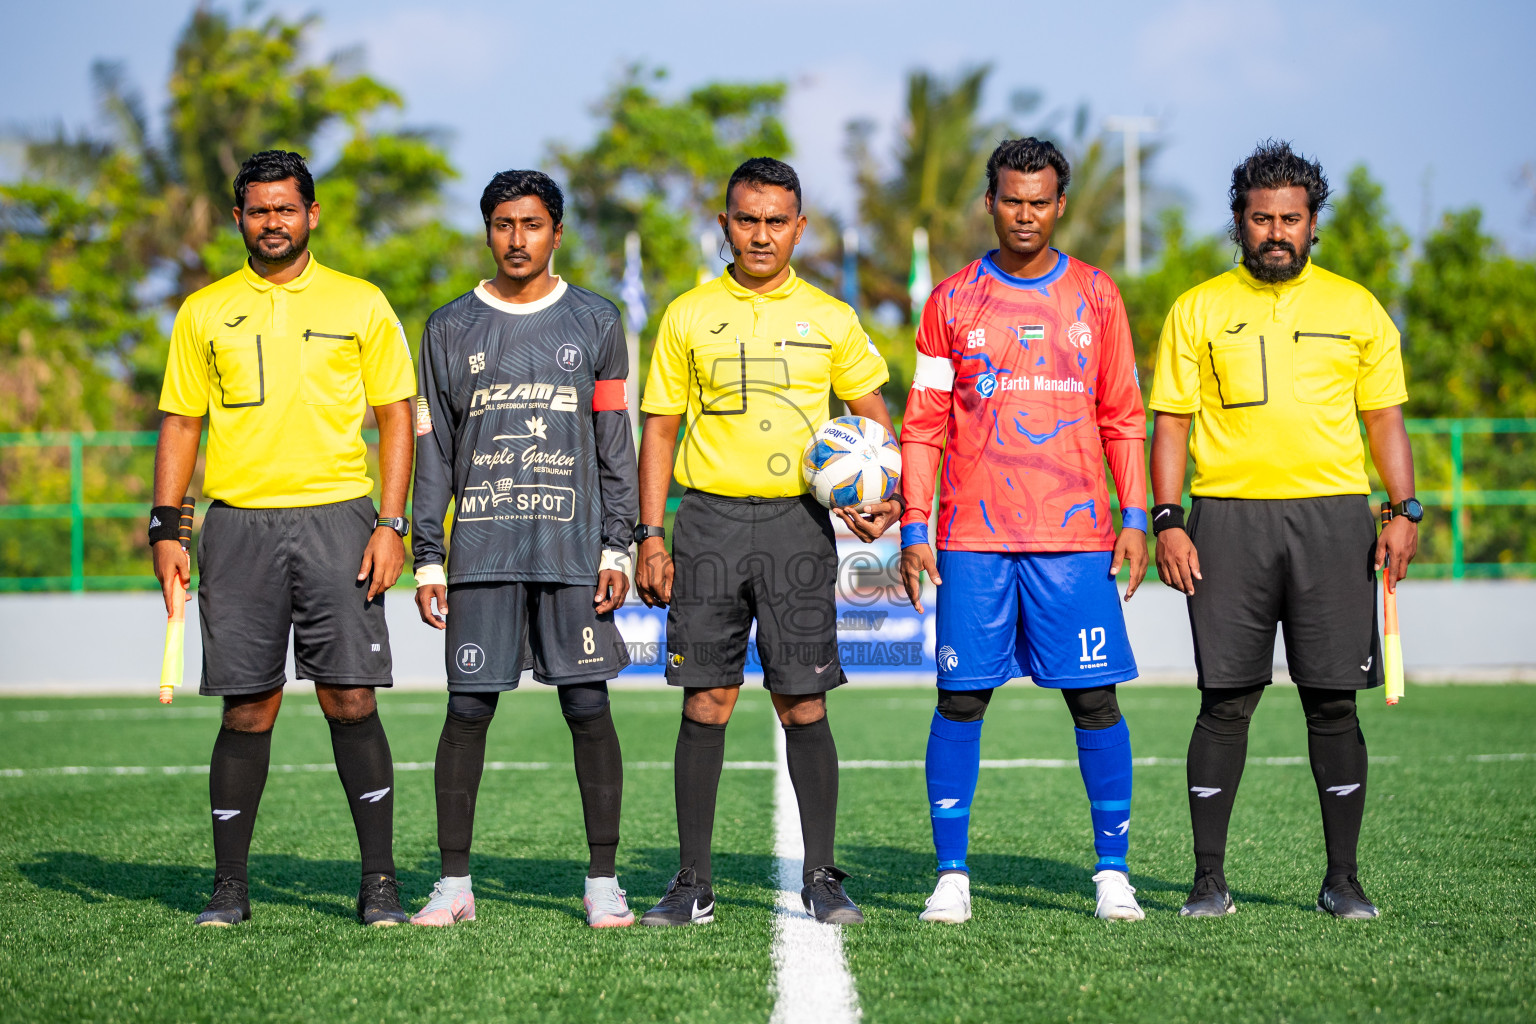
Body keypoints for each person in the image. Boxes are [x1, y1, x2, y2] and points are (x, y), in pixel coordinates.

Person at [1149, 140, 1420, 919]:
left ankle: (1343, 879)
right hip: (1227, 521)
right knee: (1225, 700)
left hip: (1334, 520)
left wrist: (1404, 510)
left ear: (1312, 224)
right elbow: (1170, 424)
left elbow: (1385, 419)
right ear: (1238, 221)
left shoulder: (1357, 307)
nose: (1276, 232)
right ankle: (1208, 880)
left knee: (1333, 702)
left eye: (1291, 219)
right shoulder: (1197, 308)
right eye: (1261, 218)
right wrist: (1169, 520)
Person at [151, 149, 417, 927]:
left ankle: (379, 884)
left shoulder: (361, 302)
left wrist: (392, 524)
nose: (273, 222)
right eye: (258, 210)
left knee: (350, 697)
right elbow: (181, 421)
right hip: (235, 527)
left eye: (285, 208)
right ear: (239, 219)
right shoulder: (204, 310)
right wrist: (168, 527)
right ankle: (229, 887)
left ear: (312, 215)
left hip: (340, 519)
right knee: (247, 708)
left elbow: (396, 414)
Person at [634, 157, 898, 926]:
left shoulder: (831, 317)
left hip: (797, 526)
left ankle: (821, 876)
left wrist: (879, 498)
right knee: (706, 700)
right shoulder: (687, 314)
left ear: (799, 228)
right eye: (746, 219)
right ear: (724, 224)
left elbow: (872, 418)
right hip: (709, 521)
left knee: (803, 700)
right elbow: (659, 429)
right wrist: (652, 534)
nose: (760, 234)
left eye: (775, 220)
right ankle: (692, 882)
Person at [898, 137, 1150, 924]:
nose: (1026, 214)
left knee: (1095, 701)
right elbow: (924, 425)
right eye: (1013, 199)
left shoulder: (1097, 296)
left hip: (1075, 539)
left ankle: (1112, 871)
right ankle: (952, 875)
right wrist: (914, 526)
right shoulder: (951, 302)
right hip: (972, 538)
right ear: (990, 203)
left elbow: (1124, 415)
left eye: (1040, 201)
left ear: (1060, 205)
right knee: (961, 699)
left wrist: (1136, 516)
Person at [408, 170, 639, 928]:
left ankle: (603, 880)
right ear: (487, 231)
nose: (517, 238)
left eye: (532, 224)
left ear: (556, 234)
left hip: (574, 551)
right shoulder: (447, 329)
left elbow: (615, 445)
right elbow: (433, 450)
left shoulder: (596, 321)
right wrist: (427, 554)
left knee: (587, 702)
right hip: (480, 550)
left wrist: (620, 547)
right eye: (504, 224)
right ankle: (453, 884)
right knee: (468, 707)